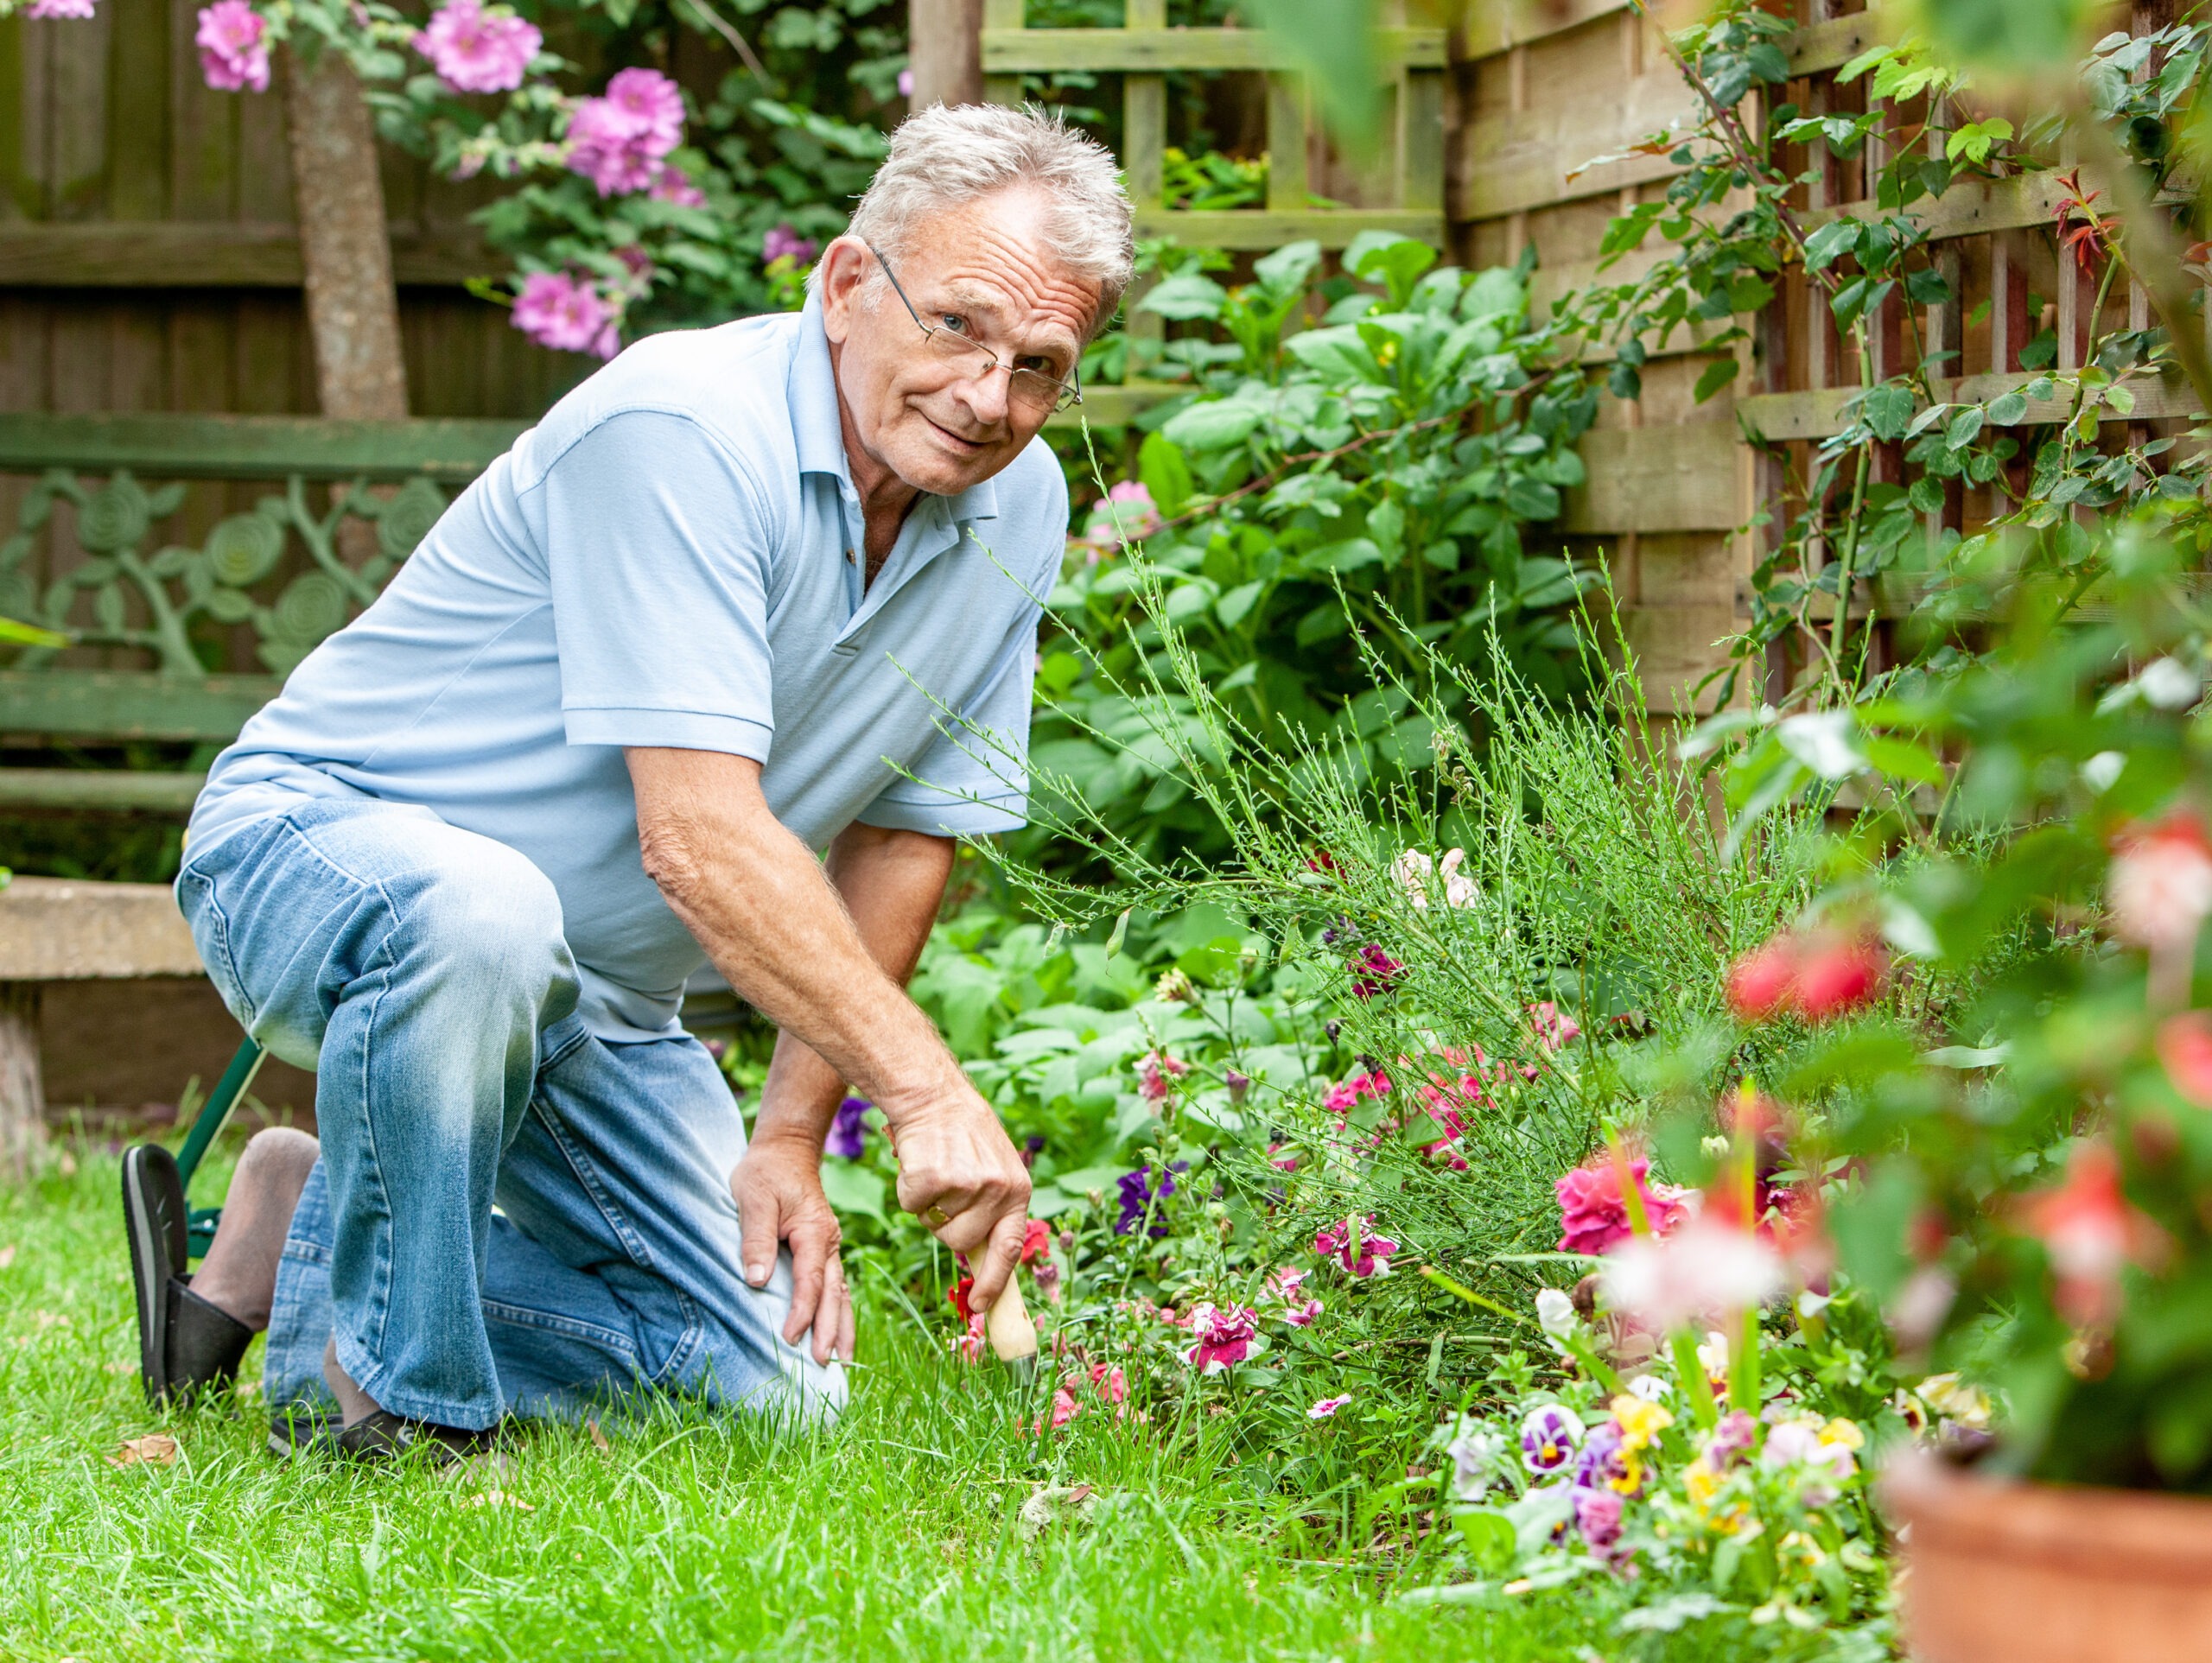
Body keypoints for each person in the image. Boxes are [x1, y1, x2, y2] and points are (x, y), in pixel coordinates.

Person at [118, 101, 1134, 1463]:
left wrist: (788, 1138)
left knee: (773, 1387)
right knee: (480, 909)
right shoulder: (685, 426)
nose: (987, 397)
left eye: (1038, 364)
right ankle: (391, 1399)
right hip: (319, 852)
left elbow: (902, 832)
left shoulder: (1021, 506)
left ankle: (304, 1231)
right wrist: (922, 1089)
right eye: (957, 325)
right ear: (848, 285)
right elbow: (699, 838)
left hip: (592, 991)